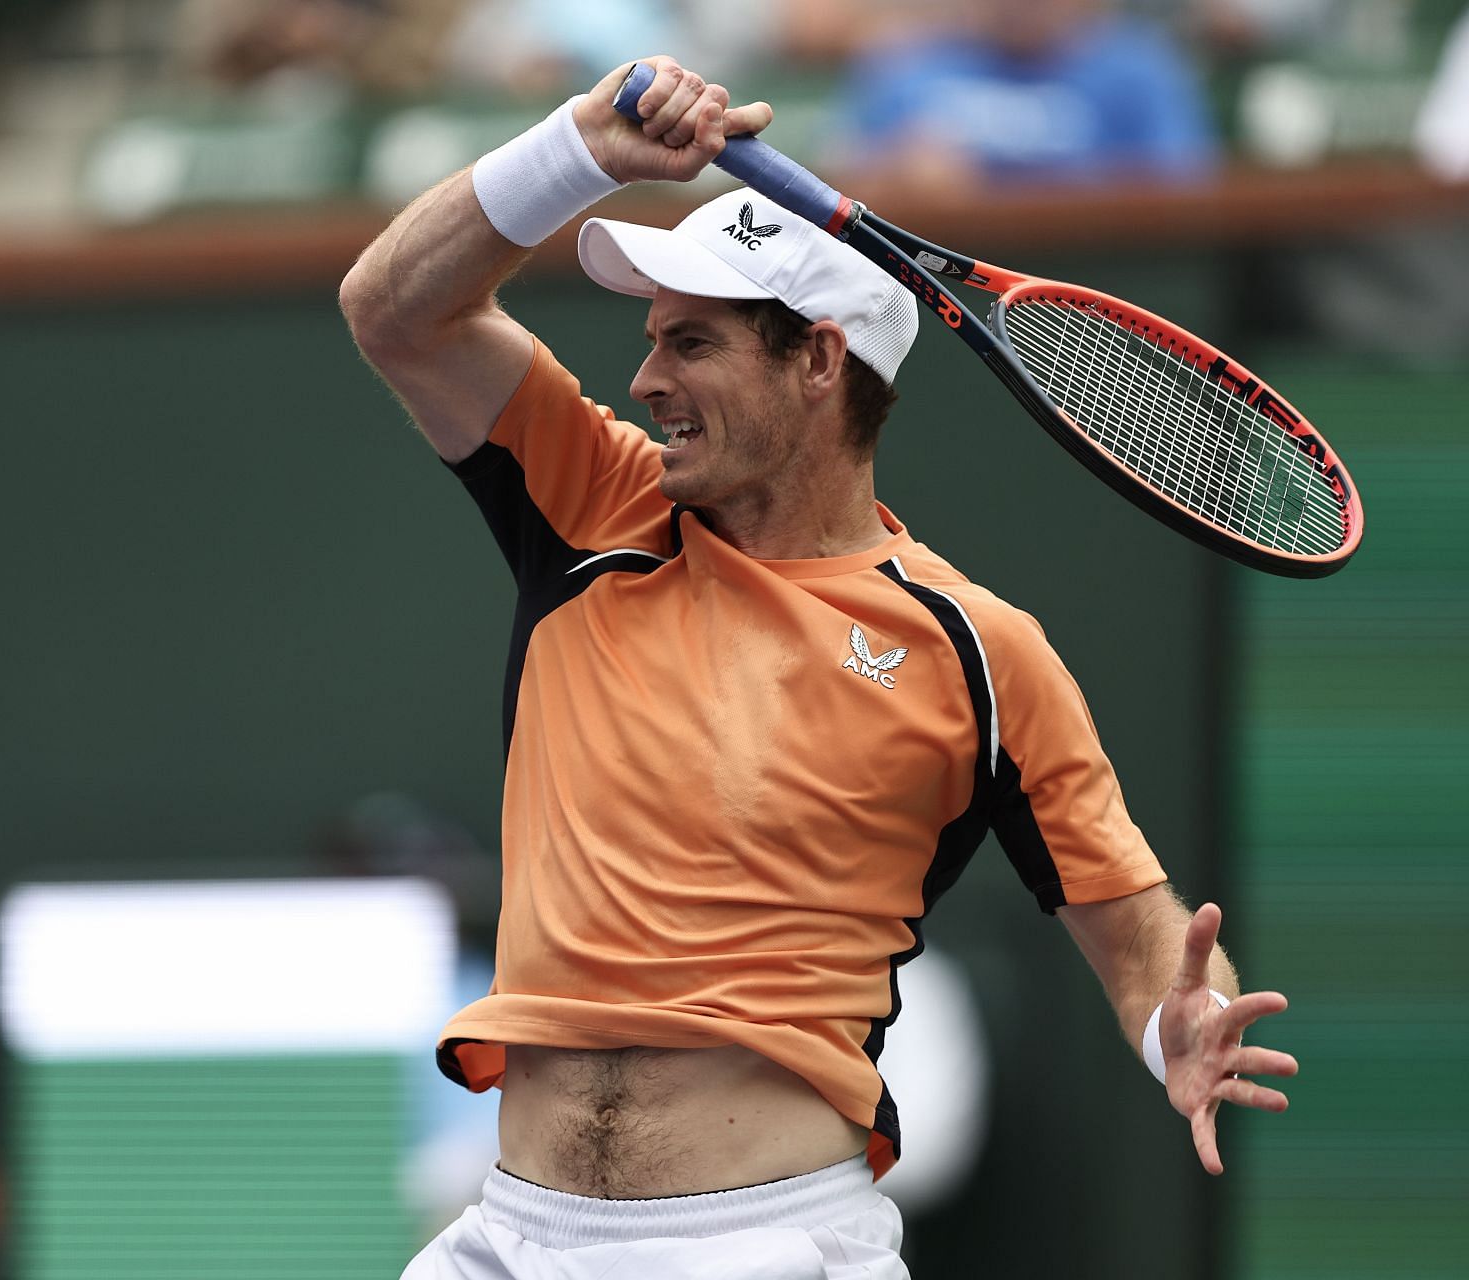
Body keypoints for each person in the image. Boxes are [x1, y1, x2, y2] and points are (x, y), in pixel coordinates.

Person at [339, 55, 1295, 1279]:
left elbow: (1138, 938)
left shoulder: (976, 650)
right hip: (516, 1236)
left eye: (692, 342)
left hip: (771, 1247)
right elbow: (392, 307)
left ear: (818, 361)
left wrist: (1184, 1021)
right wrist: (577, 150)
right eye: (649, 341)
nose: (645, 380)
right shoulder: (593, 498)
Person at [834, 0, 1219, 190]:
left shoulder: (1141, 72)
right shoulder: (907, 68)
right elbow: (838, 186)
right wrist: (896, 172)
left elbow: (1185, 195)